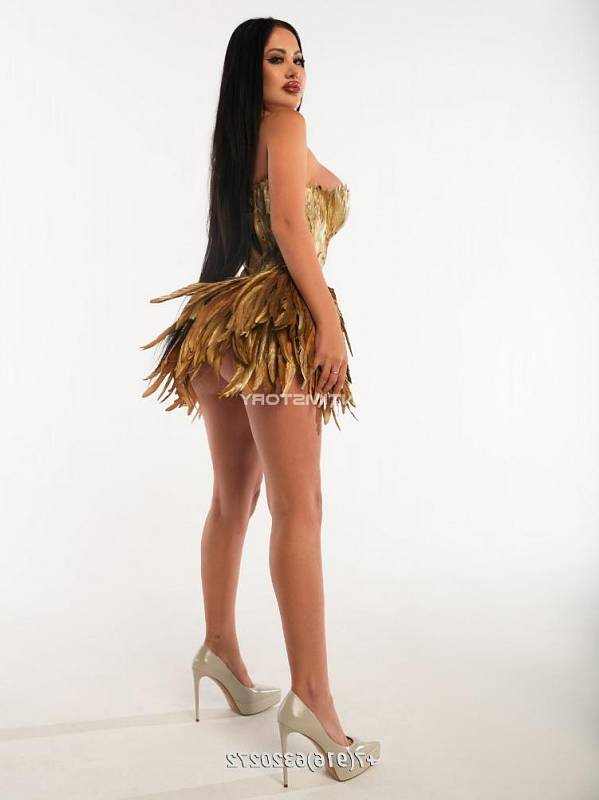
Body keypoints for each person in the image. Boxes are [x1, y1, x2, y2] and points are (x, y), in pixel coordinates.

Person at [140, 18, 380, 785]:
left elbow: (243, 232)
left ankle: (220, 650)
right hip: (273, 325)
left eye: (299, 58)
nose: (293, 71)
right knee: (298, 507)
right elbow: (285, 225)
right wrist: (327, 320)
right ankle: (313, 699)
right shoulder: (285, 126)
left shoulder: (240, 138)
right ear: (251, 71)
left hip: (223, 324)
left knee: (233, 502)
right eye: (276, 59)